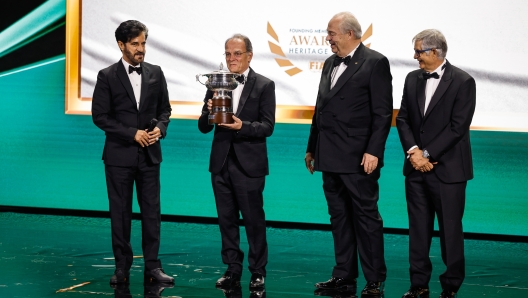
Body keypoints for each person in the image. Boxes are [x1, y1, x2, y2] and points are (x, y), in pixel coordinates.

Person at [305, 12, 393, 297]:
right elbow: (321, 109)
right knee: (339, 217)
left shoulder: (375, 62)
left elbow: (382, 114)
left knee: (366, 219)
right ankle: (343, 275)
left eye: (332, 33)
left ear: (350, 34)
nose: (327, 38)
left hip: (358, 158)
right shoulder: (330, 63)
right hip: (329, 155)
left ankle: (374, 279)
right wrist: (311, 147)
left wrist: (373, 151)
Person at [91, 20, 173, 285]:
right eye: (135, 44)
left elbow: (165, 110)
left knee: (152, 213)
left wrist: (160, 128)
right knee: (121, 213)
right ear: (121, 45)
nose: (141, 49)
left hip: (150, 155)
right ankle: (122, 267)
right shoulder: (107, 76)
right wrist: (131, 133)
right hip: (119, 157)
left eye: (143, 43)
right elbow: (100, 117)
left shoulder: (156, 72)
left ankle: (153, 267)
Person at [396, 29, 476, 298]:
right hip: (415, 168)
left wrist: (426, 155)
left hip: (448, 171)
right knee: (418, 230)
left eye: (419, 52)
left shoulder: (463, 82)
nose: (415, 56)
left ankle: (450, 286)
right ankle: (418, 284)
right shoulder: (411, 78)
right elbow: (403, 119)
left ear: (435, 52)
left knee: (450, 230)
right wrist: (414, 153)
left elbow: (457, 128)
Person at [198, 34, 275, 291]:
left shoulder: (264, 85)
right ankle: (232, 269)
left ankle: (258, 271)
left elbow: (267, 126)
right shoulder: (215, 83)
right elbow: (203, 127)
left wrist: (242, 126)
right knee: (226, 220)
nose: (232, 58)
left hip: (249, 166)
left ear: (249, 56)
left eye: (237, 54)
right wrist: (209, 112)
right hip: (220, 164)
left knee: (254, 220)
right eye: (228, 54)